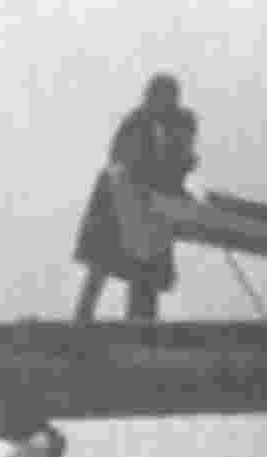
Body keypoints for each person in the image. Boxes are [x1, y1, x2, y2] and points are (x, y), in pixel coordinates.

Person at [73, 74, 198, 322]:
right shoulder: (137, 124)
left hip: (152, 206)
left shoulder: (176, 124)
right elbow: (130, 163)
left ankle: (141, 323)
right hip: (118, 199)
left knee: (146, 269)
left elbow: (176, 165)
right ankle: (82, 321)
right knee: (103, 261)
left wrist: (178, 173)